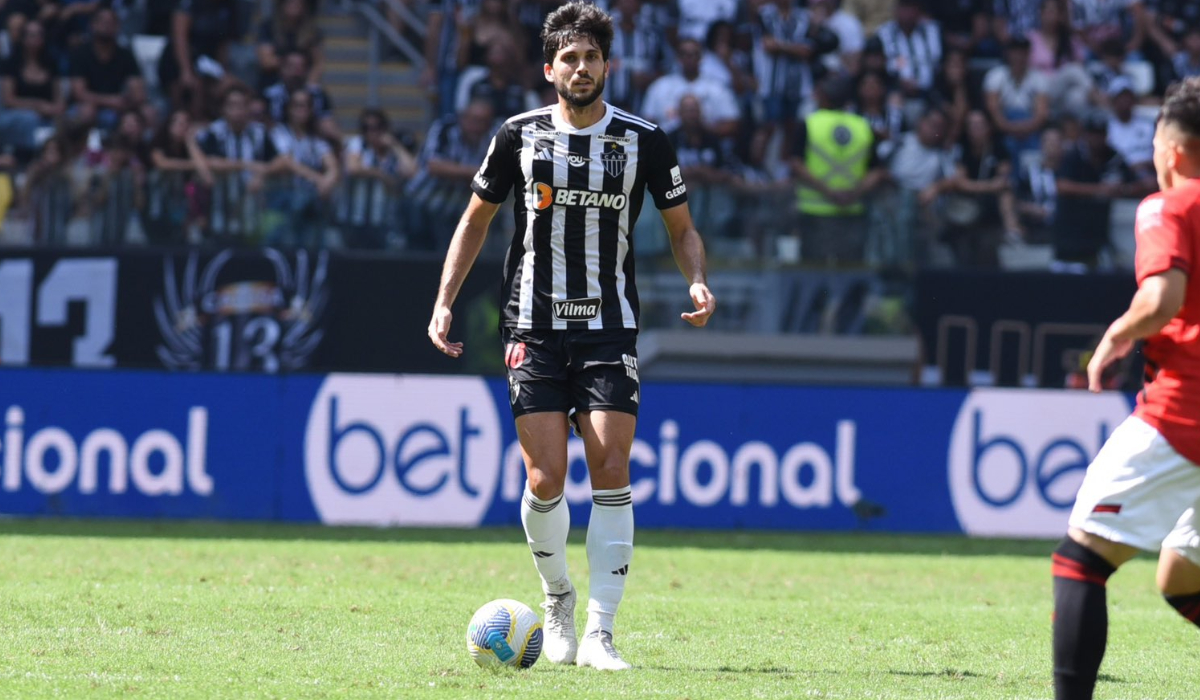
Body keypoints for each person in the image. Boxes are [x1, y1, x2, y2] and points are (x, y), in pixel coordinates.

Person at [427, 1, 716, 671]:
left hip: (610, 326)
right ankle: (557, 599)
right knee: (544, 475)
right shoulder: (517, 135)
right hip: (533, 325)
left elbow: (681, 229)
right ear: (550, 67)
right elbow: (474, 223)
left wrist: (698, 279)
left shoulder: (644, 139)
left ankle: (601, 632)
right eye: (570, 58)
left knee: (611, 468)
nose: (581, 68)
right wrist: (445, 301)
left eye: (592, 57)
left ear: (607, 66)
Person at [1052, 76, 1200, 700]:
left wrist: (1115, 337)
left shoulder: (1168, 206)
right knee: (1182, 577)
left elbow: (1163, 296)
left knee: (1080, 558)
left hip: (1185, 412)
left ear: (1169, 152)